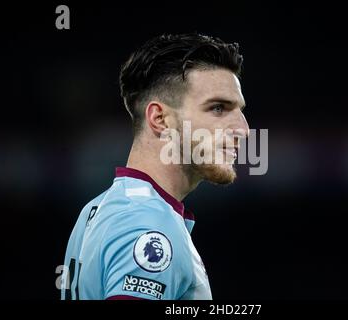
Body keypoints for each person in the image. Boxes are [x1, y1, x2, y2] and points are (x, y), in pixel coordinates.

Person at [61, 33, 249, 300]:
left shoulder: (97, 210)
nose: (243, 129)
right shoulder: (150, 229)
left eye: (240, 111)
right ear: (160, 119)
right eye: (218, 108)